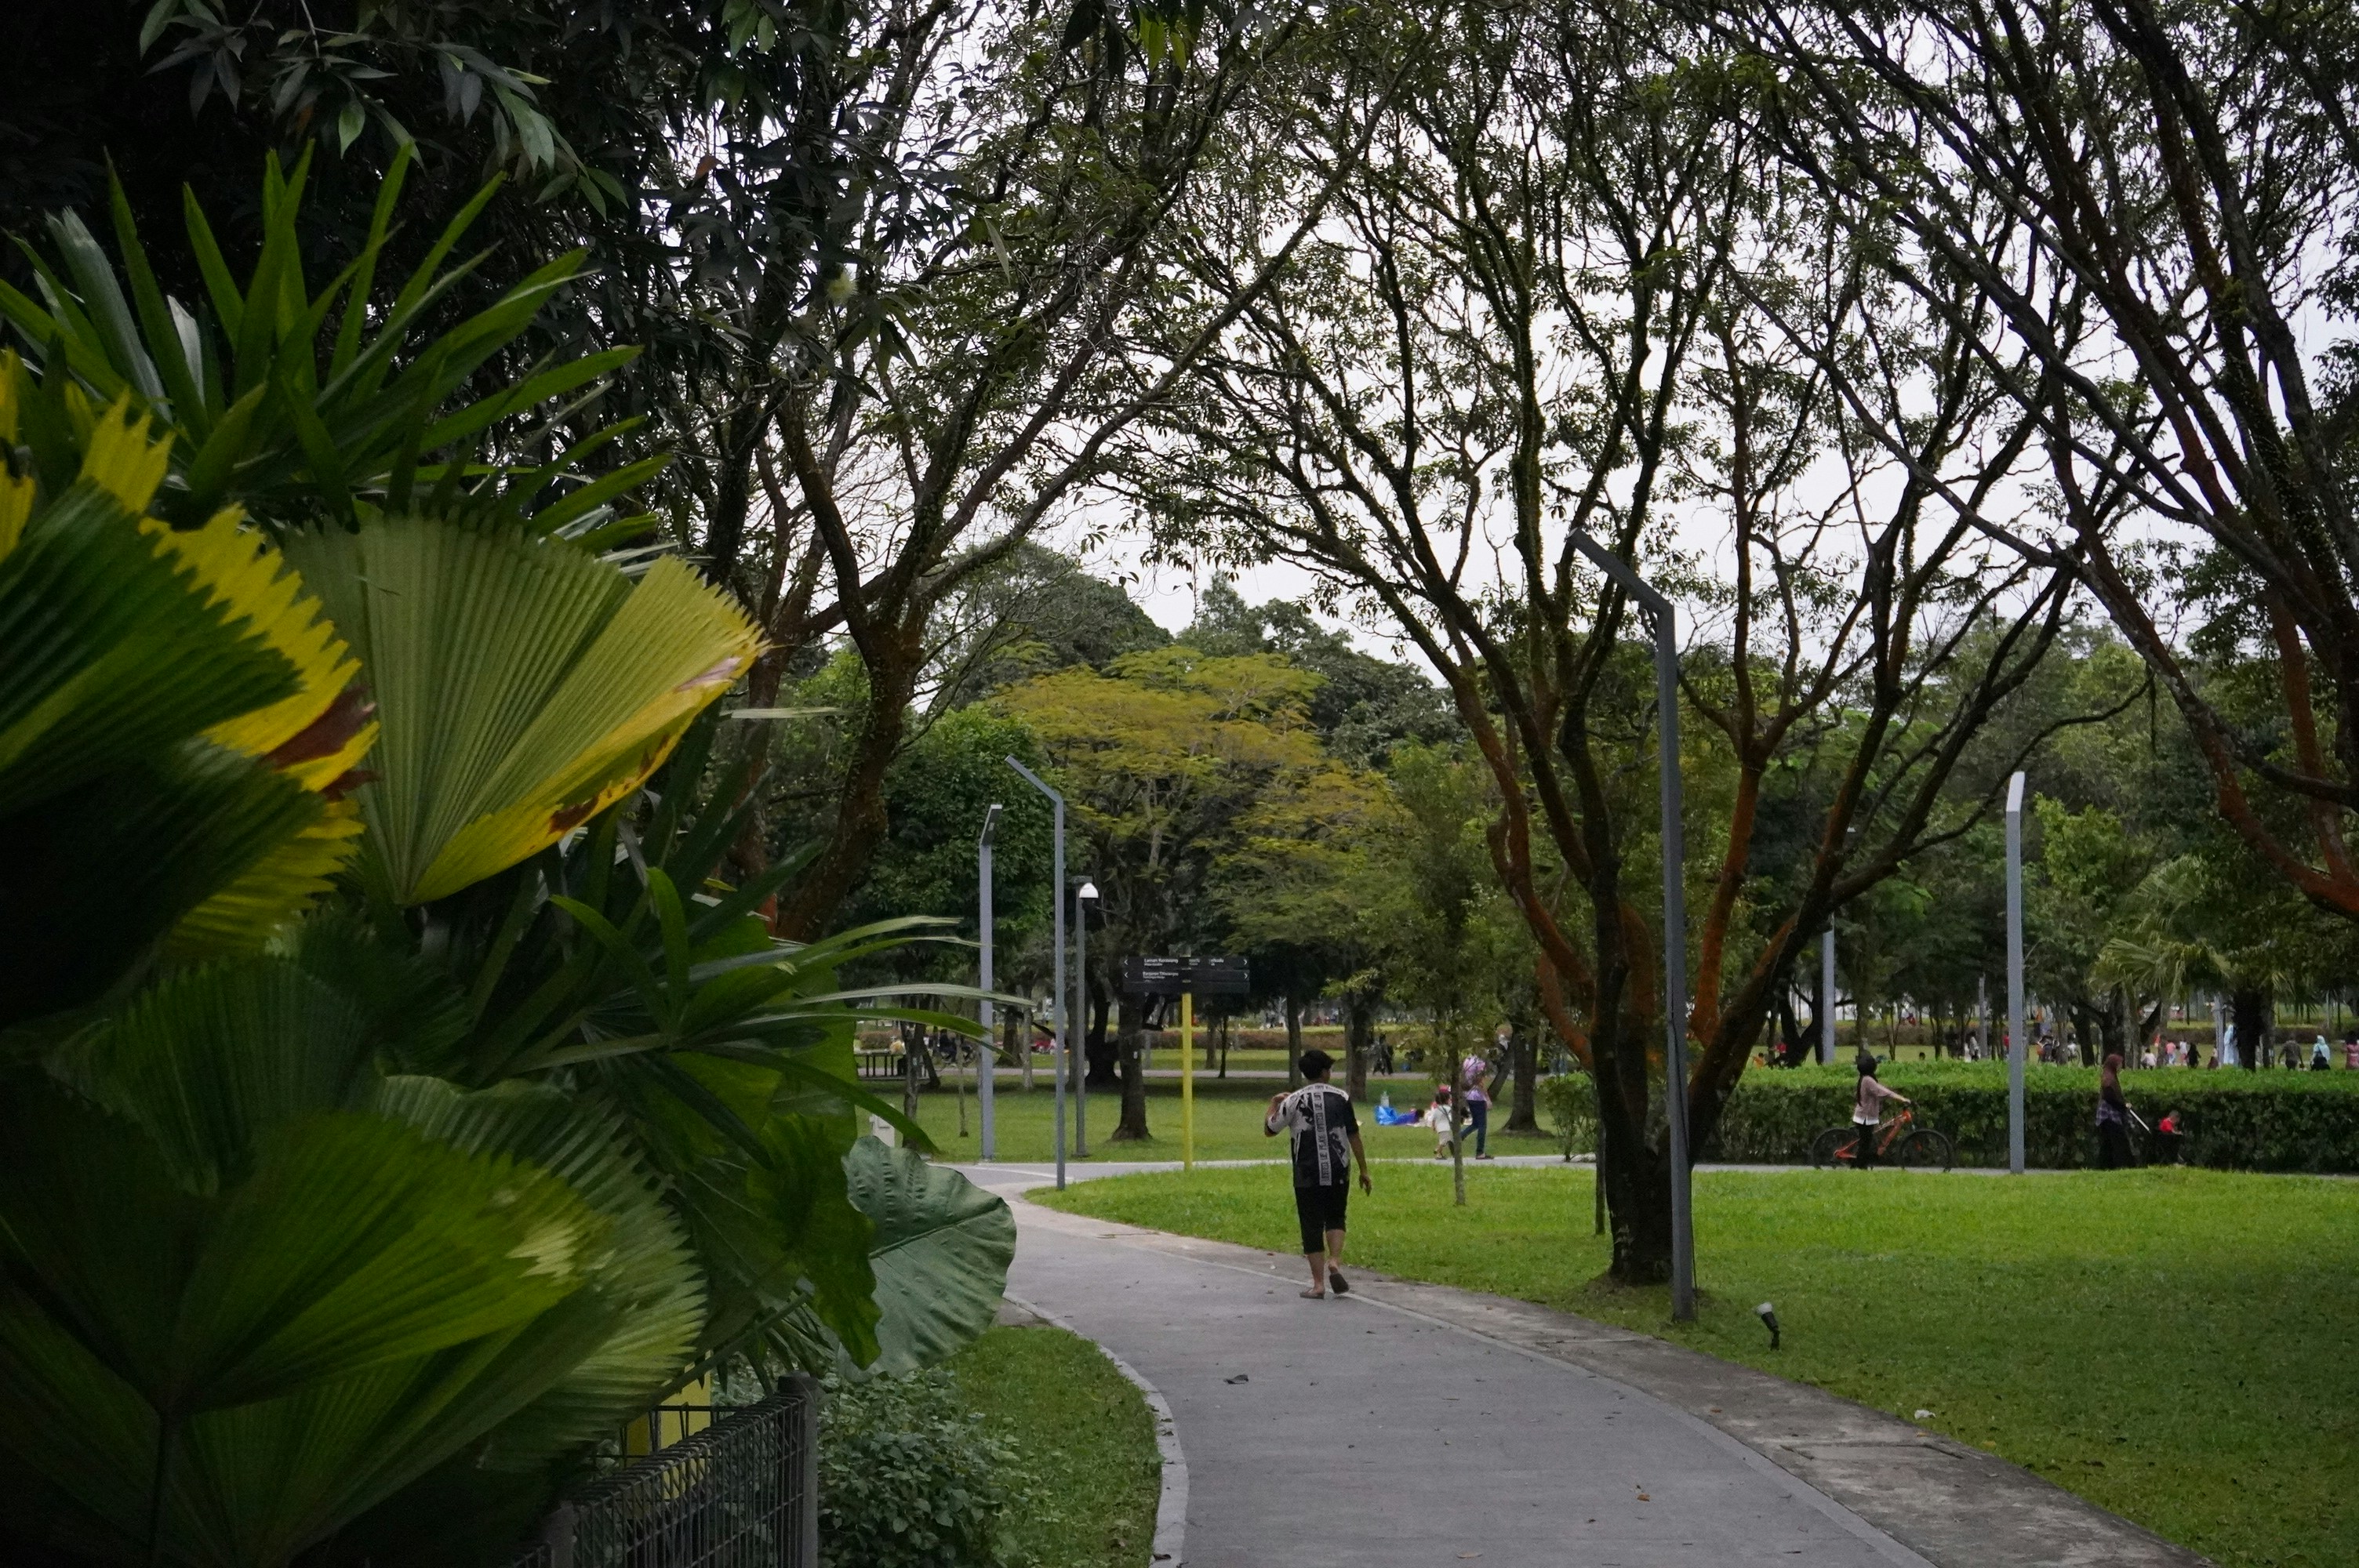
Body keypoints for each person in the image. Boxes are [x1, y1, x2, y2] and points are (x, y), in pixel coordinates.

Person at [1265, 1048, 1372, 1299]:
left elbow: (1270, 1130)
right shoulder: (1342, 1097)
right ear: (1324, 1073)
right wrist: (1364, 1170)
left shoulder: (1293, 1101)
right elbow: (1353, 1135)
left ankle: (1318, 1285)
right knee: (1336, 1216)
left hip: (1307, 1172)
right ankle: (1334, 1260)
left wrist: (1273, 1104)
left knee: (1311, 1224)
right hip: (1339, 1168)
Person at [1851, 1053, 1908, 1167]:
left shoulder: (1867, 1078)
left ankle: (1862, 1164)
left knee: (1867, 1142)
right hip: (1865, 1117)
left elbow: (1880, 1090)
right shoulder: (1867, 1079)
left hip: (1867, 1115)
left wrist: (1895, 1095)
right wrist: (1900, 1098)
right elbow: (1881, 1091)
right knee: (1865, 1144)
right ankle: (1859, 1167)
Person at [2096, 1052, 2134, 1169]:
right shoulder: (2109, 1078)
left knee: (2108, 1143)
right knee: (2119, 1141)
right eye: (2118, 1064)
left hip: (2108, 1113)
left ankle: (2104, 1166)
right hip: (2109, 1114)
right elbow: (2110, 1097)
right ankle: (2123, 1164)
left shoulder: (2110, 1075)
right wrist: (2123, 1106)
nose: (2120, 1067)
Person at [1460, 1052, 1494, 1160]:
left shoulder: (1467, 1061)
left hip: (1468, 1095)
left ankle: (1459, 1136)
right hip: (1478, 1096)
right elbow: (1480, 1082)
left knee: (1475, 1123)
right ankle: (1480, 1152)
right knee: (1482, 1125)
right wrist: (1487, 1099)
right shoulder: (1480, 1063)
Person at [1423, 1086, 1454, 1160]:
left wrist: (1433, 1126)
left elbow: (1434, 1119)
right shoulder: (1447, 1108)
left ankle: (1439, 1152)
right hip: (1445, 1127)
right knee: (1443, 1142)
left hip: (1439, 1127)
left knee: (1445, 1140)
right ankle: (1438, 1153)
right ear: (1446, 1100)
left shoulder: (1437, 1109)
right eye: (1449, 1099)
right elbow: (1451, 1116)